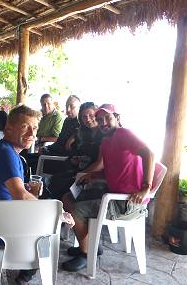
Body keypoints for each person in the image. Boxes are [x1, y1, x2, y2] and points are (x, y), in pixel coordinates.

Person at [0, 105, 75, 284]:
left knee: (45, 223)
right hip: (1, 232)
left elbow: (12, 188)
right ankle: (23, 274)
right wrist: (57, 213)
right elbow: (21, 196)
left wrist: (23, 188)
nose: (32, 132)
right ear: (9, 128)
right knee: (49, 232)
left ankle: (21, 274)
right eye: (25, 126)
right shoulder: (6, 154)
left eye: (35, 128)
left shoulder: (6, 150)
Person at [62, 104, 155, 272]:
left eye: (108, 118)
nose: (103, 122)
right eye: (99, 119)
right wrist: (94, 176)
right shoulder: (106, 141)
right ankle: (89, 245)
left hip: (128, 201)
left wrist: (146, 187)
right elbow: (112, 169)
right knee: (68, 199)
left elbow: (149, 154)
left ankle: (85, 254)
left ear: (117, 118)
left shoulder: (123, 134)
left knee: (76, 210)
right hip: (112, 194)